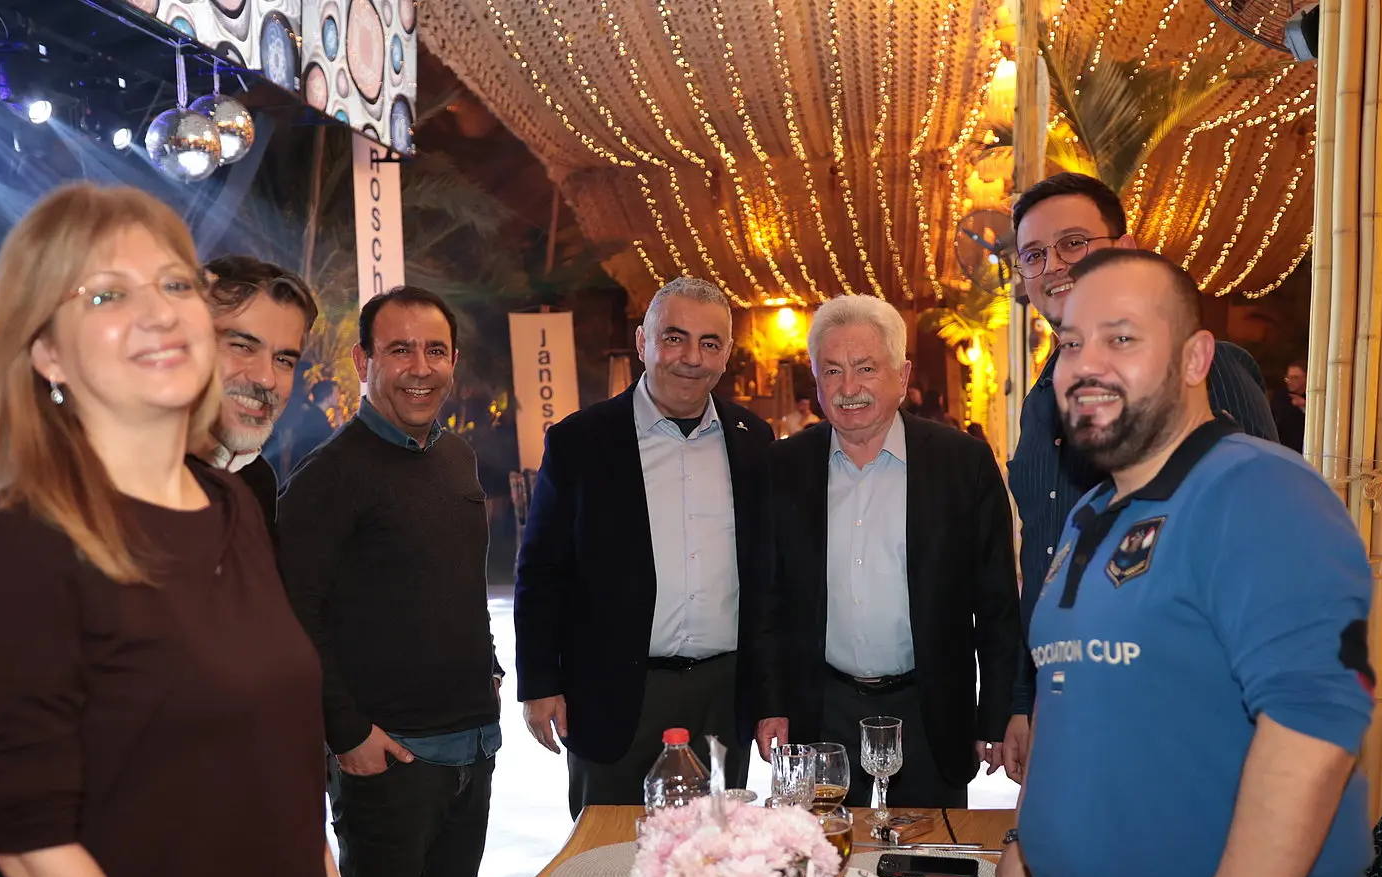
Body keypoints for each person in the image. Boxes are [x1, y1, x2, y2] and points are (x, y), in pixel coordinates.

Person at [0, 183, 371, 877]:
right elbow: (35, 846)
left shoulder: (233, 505)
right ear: (46, 351)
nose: (160, 312)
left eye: (175, 284)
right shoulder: (21, 540)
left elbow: (280, 760)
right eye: (107, 293)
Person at [998, 249, 1372, 877]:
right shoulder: (1092, 512)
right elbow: (1074, 689)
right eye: (1070, 343)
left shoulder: (1256, 491)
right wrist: (1034, 829)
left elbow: (1314, 726)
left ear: (1197, 358)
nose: (1085, 364)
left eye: (1121, 338)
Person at [1005, 171, 1279, 783]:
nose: (1054, 265)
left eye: (1074, 242)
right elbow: (1044, 559)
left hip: (1182, 714)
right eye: (1034, 254)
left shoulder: (1200, 369)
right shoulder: (1043, 400)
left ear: (1125, 248)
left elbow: (1259, 543)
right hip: (1069, 702)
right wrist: (1028, 695)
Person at [278, 286, 501, 877]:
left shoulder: (457, 456)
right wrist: (346, 732)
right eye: (399, 350)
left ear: (454, 360)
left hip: (472, 745)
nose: (420, 367)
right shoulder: (329, 476)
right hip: (390, 758)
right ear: (363, 361)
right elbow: (294, 614)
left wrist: (489, 667)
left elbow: (461, 583)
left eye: (435, 350)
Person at [515, 276, 775, 816]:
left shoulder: (754, 440)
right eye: (674, 338)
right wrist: (539, 682)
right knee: (608, 852)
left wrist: (772, 694)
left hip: (722, 697)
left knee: (717, 854)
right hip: (613, 694)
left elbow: (770, 579)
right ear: (642, 342)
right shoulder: (580, 441)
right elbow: (541, 570)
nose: (692, 358)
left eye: (709, 343)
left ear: (727, 353)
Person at [758, 295, 1023, 808]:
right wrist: (770, 703)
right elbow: (766, 599)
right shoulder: (783, 467)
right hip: (820, 712)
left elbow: (996, 604)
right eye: (832, 370)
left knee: (929, 853)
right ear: (815, 381)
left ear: (902, 377)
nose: (848, 388)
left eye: (865, 368)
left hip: (928, 713)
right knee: (823, 853)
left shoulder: (962, 464)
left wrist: (994, 713)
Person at [204, 255, 317, 543]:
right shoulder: (118, 475)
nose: (266, 378)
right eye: (242, 347)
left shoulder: (257, 480)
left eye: (283, 360)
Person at [1269, 359, 1307, 454]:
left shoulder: (1315, 398)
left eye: (1295, 378)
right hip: (1283, 449)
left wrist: (1304, 406)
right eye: (1288, 378)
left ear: (1306, 378)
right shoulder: (1280, 397)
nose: (1290, 382)